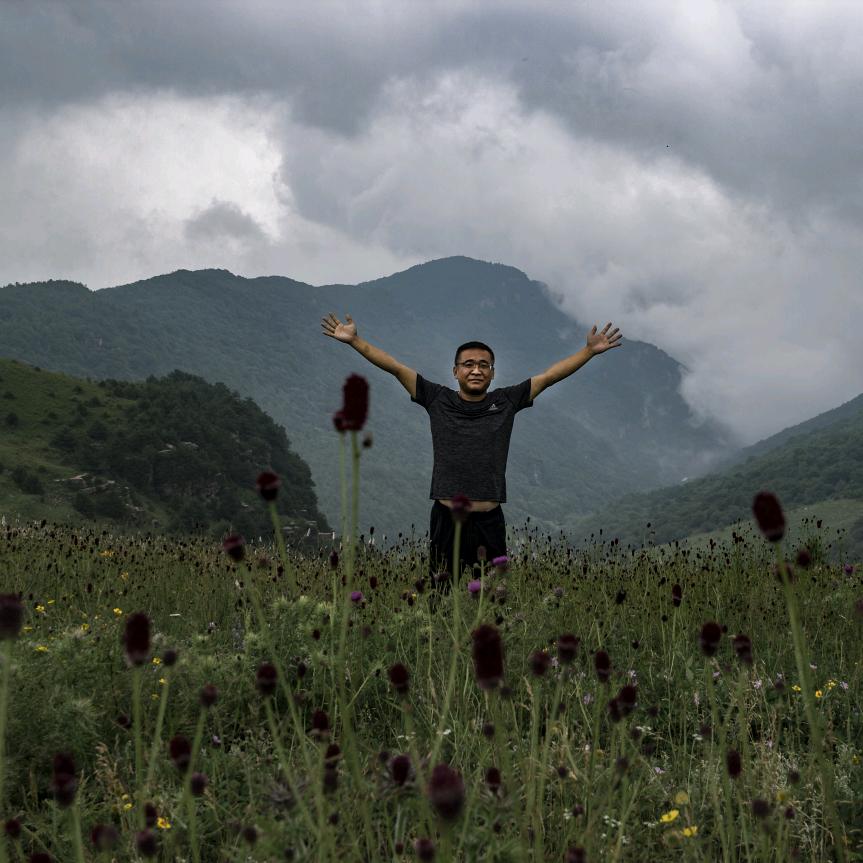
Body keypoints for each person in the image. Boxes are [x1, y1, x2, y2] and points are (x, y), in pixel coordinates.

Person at [321, 311, 623, 588]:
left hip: (488, 521)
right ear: (455, 371)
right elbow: (396, 368)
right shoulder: (437, 398)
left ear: (492, 373)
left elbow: (549, 376)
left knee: (494, 601)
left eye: (483, 365)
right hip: (445, 520)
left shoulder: (506, 401)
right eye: (468, 364)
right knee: (439, 598)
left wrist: (588, 352)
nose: (476, 370)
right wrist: (355, 341)